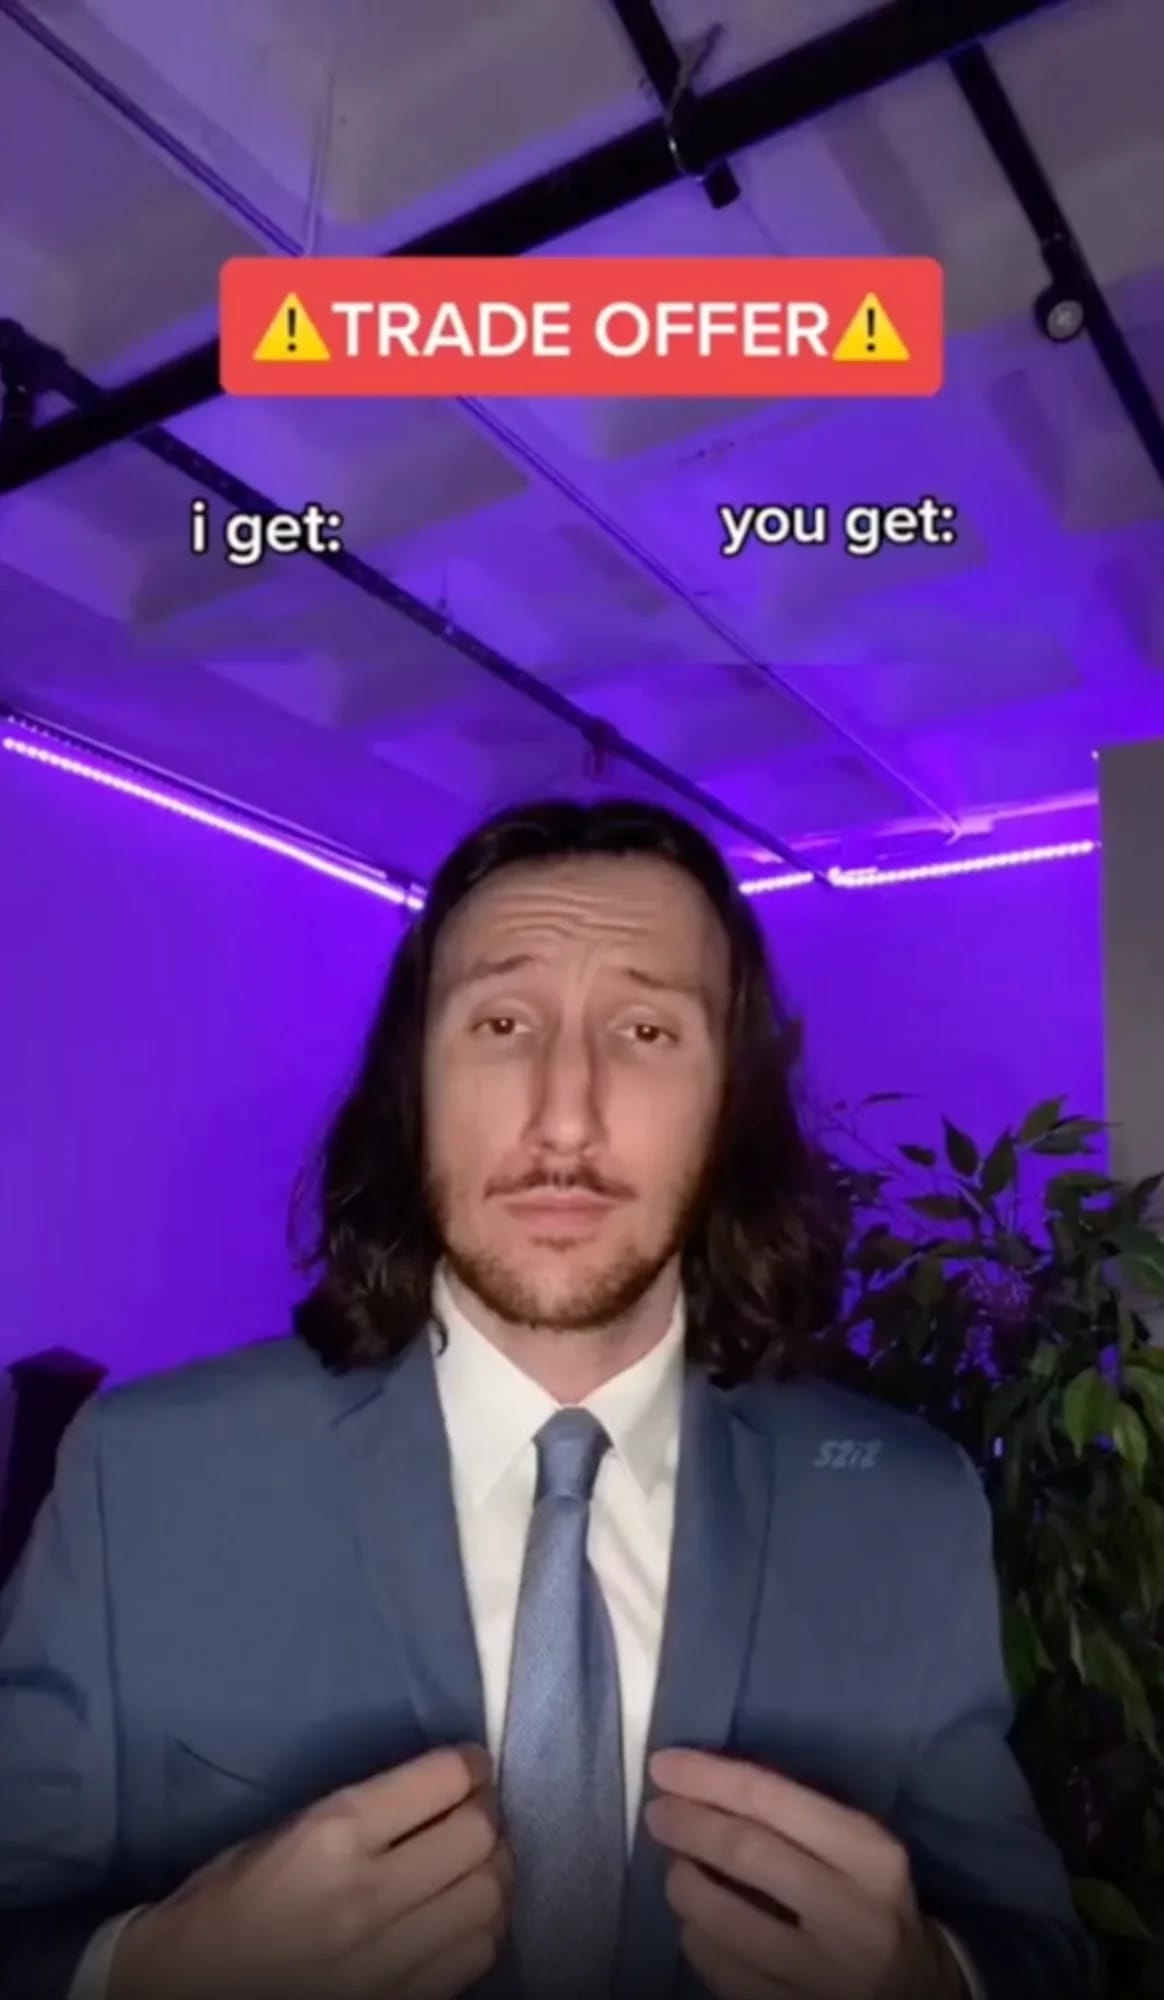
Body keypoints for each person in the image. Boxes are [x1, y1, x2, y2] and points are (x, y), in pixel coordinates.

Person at [0, 797, 1096, 2000]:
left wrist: (934, 1976)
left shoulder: (910, 1511)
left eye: (646, 1028)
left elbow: (1041, 1952)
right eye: (502, 1022)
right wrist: (147, 1969)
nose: (564, 1114)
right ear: (414, 1084)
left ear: (731, 1100)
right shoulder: (140, 1481)